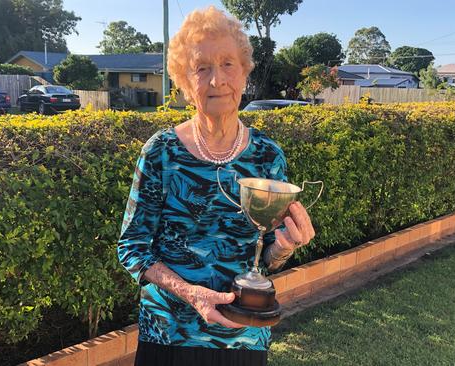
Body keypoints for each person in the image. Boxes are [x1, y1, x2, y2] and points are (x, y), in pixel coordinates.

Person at [117, 6, 316, 366]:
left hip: (244, 339)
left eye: (227, 64)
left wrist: (286, 247)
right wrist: (191, 293)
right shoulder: (161, 151)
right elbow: (132, 248)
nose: (216, 80)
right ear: (184, 81)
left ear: (244, 72)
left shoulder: (267, 157)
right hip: (169, 335)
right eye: (201, 68)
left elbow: (266, 255)